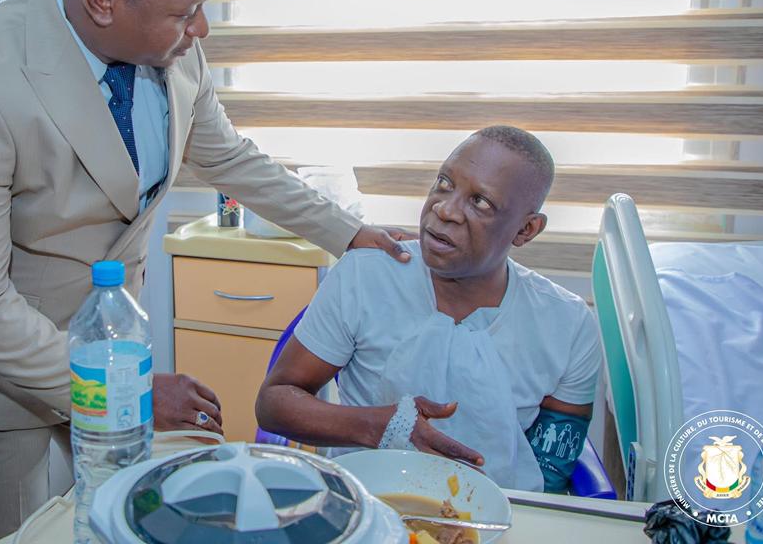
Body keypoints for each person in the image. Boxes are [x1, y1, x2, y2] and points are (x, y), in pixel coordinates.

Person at [0, 0, 412, 543]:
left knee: (113, 528)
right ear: (103, 0)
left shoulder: (172, 47)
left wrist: (351, 233)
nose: (201, 28)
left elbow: (229, 158)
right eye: (185, 11)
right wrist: (125, 389)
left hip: (109, 348)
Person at [256, 126, 603, 492]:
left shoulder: (568, 324)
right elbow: (273, 403)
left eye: (481, 202)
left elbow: (551, 470)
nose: (445, 209)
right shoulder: (366, 275)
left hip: (501, 511)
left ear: (526, 229)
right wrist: (375, 426)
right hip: (370, 504)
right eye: (444, 183)